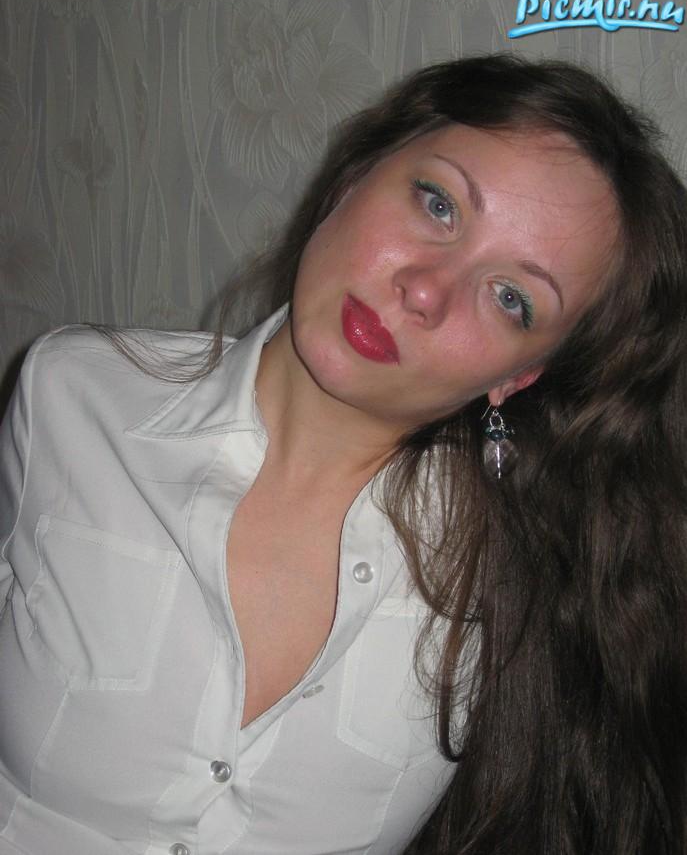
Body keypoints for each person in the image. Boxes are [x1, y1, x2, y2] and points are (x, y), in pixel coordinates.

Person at [0, 53, 686, 855]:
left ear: (519, 375)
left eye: (511, 297)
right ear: (353, 175)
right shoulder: (71, 394)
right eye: (438, 204)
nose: (424, 290)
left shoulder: (524, 585)